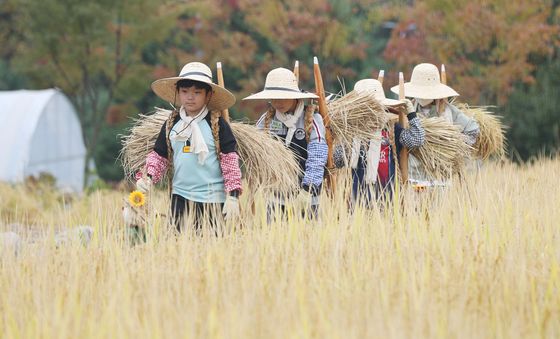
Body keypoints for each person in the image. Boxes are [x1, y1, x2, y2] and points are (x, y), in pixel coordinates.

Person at [135, 62, 242, 233]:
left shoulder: (217, 125)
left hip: (213, 200)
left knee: (211, 251)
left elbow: (230, 162)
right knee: (178, 248)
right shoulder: (172, 124)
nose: (190, 97)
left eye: (197, 92)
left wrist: (233, 195)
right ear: (178, 93)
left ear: (208, 95)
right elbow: (159, 156)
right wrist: (147, 177)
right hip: (180, 198)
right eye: (185, 92)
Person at [244, 67, 327, 218]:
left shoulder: (312, 120)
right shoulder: (266, 121)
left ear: (294, 96)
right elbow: (257, 154)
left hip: (307, 195)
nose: (277, 102)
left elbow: (318, 155)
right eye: (273, 97)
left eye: (282, 97)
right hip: (276, 197)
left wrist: (308, 189)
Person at [333, 78, 425, 206]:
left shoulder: (391, 129)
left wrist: (411, 115)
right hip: (358, 202)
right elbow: (337, 161)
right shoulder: (353, 134)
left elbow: (417, 141)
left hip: (389, 200)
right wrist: (346, 134)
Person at [390, 63, 480, 185]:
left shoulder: (448, 111)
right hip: (413, 175)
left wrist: (455, 147)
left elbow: (473, 130)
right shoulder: (406, 109)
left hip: (440, 178)